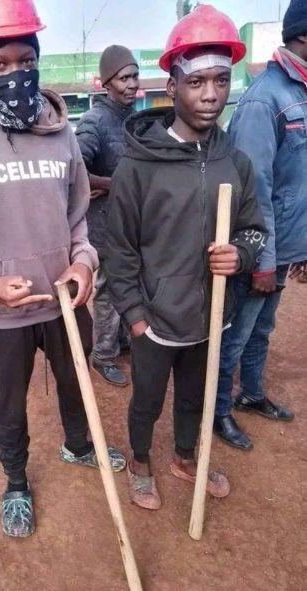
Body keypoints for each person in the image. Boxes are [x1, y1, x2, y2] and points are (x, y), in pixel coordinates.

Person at [0, 0, 124, 538]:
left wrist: (83, 263)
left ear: (38, 60)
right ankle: (15, 481)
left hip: (65, 300)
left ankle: (79, 445)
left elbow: (78, 217)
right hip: (1, 313)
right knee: (8, 403)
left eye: (25, 61)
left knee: (75, 385)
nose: (15, 74)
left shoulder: (60, 130)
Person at [104, 4, 267, 511]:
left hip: (210, 317)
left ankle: (185, 457)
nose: (212, 94)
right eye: (197, 83)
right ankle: (141, 462)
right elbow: (119, 247)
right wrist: (134, 316)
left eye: (221, 80)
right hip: (154, 319)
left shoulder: (233, 162)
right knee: (148, 401)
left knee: (194, 401)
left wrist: (238, 255)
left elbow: (255, 231)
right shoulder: (139, 165)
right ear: (172, 86)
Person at [212, 0, 307, 450]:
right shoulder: (263, 99)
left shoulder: (300, 93)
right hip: (259, 249)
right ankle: (219, 412)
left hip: (287, 243)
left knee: (263, 328)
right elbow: (254, 191)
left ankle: (250, 394)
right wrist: (264, 260)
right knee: (239, 330)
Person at [75, 44, 140, 388]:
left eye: (134, 76)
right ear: (106, 82)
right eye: (123, 78)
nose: (131, 84)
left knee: (129, 284)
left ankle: (120, 340)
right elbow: (73, 171)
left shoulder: (131, 118)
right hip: (102, 223)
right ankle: (103, 355)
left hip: (128, 221)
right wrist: (113, 184)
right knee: (110, 290)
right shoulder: (94, 121)